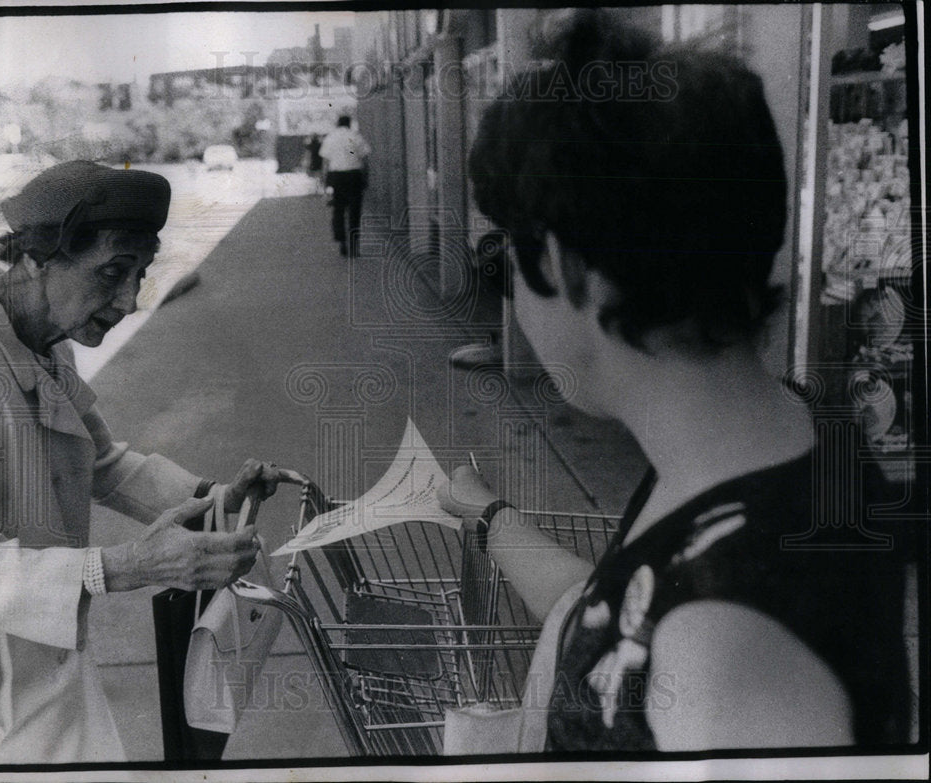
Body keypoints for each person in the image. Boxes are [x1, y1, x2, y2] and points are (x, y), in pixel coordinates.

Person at [438, 9, 911, 752]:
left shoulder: (727, 658)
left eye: (503, 258)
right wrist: (488, 514)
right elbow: (619, 614)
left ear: (567, 267)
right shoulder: (784, 436)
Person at [0, 160, 282, 764]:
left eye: (141, 274)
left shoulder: (36, 331)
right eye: (114, 273)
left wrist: (216, 496)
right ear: (38, 257)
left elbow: (99, 461)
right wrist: (122, 567)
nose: (130, 300)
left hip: (41, 654)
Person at [319, 115, 371, 257]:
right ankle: (354, 245)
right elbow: (365, 160)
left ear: (337, 124)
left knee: (338, 210)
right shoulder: (356, 136)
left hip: (337, 177)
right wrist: (365, 178)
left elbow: (325, 163)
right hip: (354, 176)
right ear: (349, 124)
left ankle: (342, 242)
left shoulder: (330, 138)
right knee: (354, 211)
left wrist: (325, 183)